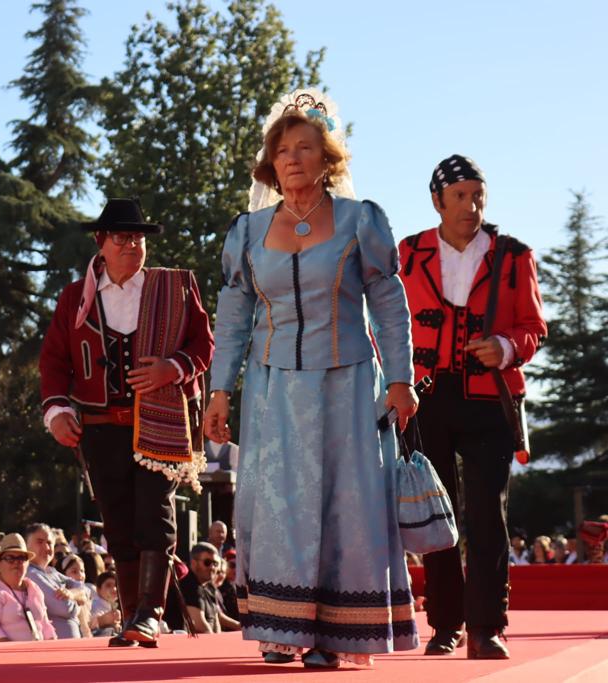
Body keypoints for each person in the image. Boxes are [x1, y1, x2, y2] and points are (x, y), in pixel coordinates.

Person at [204, 89, 419, 668]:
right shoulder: (247, 232)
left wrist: (401, 377)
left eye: (306, 148)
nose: (294, 158)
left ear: (328, 159)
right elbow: (232, 318)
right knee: (278, 502)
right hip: (273, 388)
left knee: (346, 503)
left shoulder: (360, 220)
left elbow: (390, 303)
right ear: (270, 163)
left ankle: (337, 637)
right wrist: (219, 389)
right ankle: (283, 628)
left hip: (348, 382)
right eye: (283, 149)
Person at [40, 198, 214, 647]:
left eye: (138, 238)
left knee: (154, 514)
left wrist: (171, 368)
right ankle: (132, 614)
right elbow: (55, 361)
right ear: (101, 243)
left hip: (159, 416)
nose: (133, 245)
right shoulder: (75, 297)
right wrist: (57, 411)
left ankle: (149, 613)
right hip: (99, 425)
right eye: (122, 237)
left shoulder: (173, 287)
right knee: (117, 520)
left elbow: (203, 342)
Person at [399, 155, 547, 660]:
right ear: (438, 201)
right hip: (427, 397)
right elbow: (386, 319)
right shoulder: (409, 253)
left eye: (478, 194)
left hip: (490, 400)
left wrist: (505, 347)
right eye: (460, 195)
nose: (471, 205)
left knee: (488, 516)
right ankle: (445, 624)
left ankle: (487, 628)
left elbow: (533, 326)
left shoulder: (513, 255)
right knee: (436, 518)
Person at [0, 533, 56, 643]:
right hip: (7, 657)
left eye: (22, 558)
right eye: (9, 558)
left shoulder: (34, 588)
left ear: (28, 563)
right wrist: (19, 653)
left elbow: (45, 625)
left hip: (39, 654)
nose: (16, 562)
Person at [24, 524, 85, 639]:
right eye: (40, 542)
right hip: (56, 648)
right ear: (26, 546)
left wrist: (72, 594)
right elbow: (65, 608)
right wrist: (79, 601)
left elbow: (84, 589)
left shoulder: (52, 572)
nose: (46, 548)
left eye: (49, 543)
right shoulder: (30, 574)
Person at [178, 543, 221, 634]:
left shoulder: (210, 587)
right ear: (194, 563)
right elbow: (200, 626)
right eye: (207, 562)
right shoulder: (189, 585)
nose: (212, 567)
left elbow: (216, 621)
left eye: (215, 563)